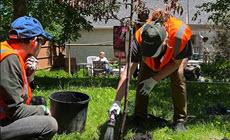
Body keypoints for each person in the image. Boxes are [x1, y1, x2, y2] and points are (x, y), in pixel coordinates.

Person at [108, 9, 193, 132]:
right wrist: (117, 101)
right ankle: (139, 116)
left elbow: (176, 64)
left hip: (175, 57)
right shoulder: (140, 37)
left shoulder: (180, 35)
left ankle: (180, 120)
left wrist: (154, 80)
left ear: (165, 40)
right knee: (143, 77)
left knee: (178, 77)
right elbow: (127, 73)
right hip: (149, 60)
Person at [0, 16, 58, 140]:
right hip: (3, 119)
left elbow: (22, 95)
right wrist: (44, 110)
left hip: (6, 113)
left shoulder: (9, 52)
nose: (42, 46)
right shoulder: (8, 60)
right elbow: (14, 111)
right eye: (42, 42)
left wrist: (30, 73)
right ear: (34, 41)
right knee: (49, 124)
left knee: (39, 101)